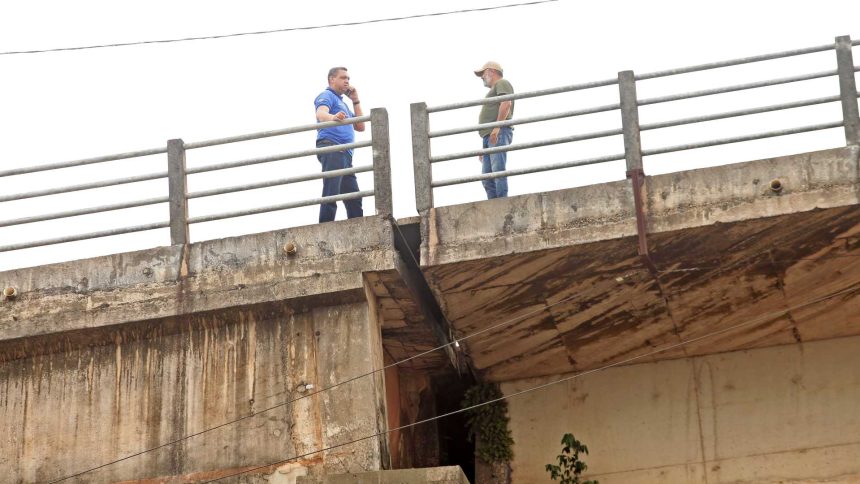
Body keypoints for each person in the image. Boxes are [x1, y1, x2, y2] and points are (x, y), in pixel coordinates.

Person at [314, 66, 365, 222]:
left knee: (354, 197)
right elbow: (320, 113)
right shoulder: (327, 95)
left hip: (345, 154)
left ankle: (358, 230)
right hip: (332, 147)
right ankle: (325, 228)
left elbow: (360, 126)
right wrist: (333, 117)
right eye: (343, 78)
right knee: (332, 191)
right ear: (332, 79)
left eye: (348, 79)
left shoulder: (343, 103)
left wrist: (355, 100)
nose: (347, 81)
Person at [474, 61, 514, 199]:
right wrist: (484, 148)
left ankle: (502, 203)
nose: (482, 77)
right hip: (490, 136)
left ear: (491, 71)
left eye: (483, 73)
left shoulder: (502, 83)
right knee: (487, 178)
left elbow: (506, 103)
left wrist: (497, 128)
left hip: (498, 133)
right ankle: (493, 204)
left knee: (497, 172)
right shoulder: (494, 89)